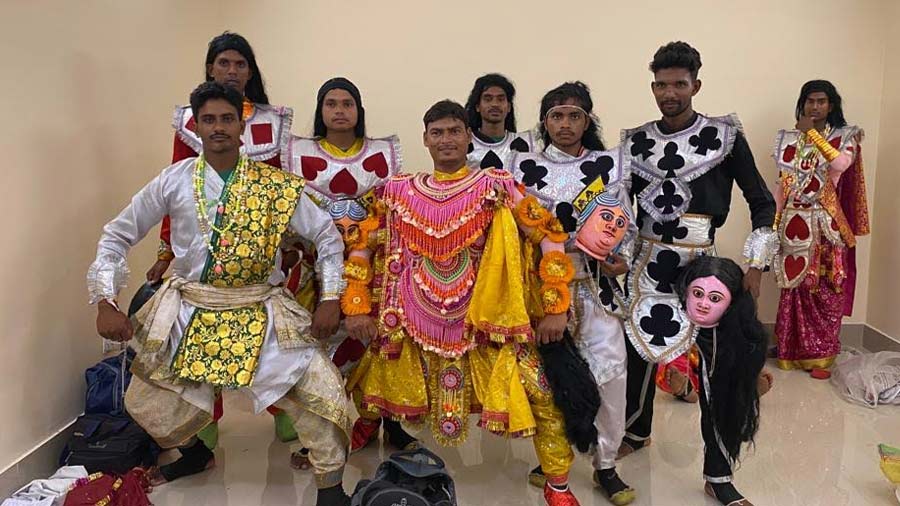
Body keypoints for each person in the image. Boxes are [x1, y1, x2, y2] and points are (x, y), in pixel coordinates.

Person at [88, 82, 351, 506]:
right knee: (143, 399)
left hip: (260, 307)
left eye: (227, 118)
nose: (218, 128)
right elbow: (117, 234)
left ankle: (332, 489)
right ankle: (195, 454)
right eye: (208, 120)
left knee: (322, 392)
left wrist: (331, 298)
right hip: (192, 308)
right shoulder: (173, 180)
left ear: (241, 125)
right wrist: (105, 299)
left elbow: (327, 235)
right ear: (197, 126)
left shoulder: (275, 185)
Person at [346, 100, 580, 505]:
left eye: (454, 131)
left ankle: (557, 484)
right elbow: (362, 246)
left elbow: (549, 236)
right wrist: (355, 306)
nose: (446, 140)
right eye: (437, 132)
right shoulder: (397, 191)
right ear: (425, 139)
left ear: (468, 136)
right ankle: (366, 429)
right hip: (411, 319)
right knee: (370, 386)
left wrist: (556, 307)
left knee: (542, 398)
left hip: (484, 323)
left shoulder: (496, 186)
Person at [618, 41, 777, 458]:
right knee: (639, 355)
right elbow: (620, 209)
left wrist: (755, 265)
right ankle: (636, 434)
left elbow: (762, 202)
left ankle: (718, 470)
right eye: (661, 85)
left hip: (703, 267)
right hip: (646, 265)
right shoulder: (636, 143)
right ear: (653, 87)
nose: (669, 93)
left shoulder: (724, 137)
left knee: (716, 366)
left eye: (679, 84)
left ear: (696, 85)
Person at [146, 32, 297, 446]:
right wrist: (165, 251)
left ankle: (283, 409)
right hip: (201, 246)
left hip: (258, 249)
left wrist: (286, 236)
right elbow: (173, 189)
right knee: (199, 336)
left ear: (251, 71)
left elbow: (284, 183)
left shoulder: (275, 121)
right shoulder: (191, 120)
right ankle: (204, 429)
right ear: (210, 68)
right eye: (223, 63)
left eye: (239, 63)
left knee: (270, 334)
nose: (232, 70)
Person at [510, 82, 635, 505]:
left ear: (588, 120)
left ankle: (606, 465)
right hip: (543, 295)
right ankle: (554, 459)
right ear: (544, 122)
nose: (565, 124)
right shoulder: (520, 168)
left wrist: (622, 259)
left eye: (574, 115)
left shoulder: (610, 165)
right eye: (556, 116)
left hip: (595, 289)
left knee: (612, 373)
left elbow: (626, 226)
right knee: (551, 381)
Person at [280, 77, 415, 463]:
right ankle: (323, 434)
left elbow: (392, 213)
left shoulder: (381, 155)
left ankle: (388, 423)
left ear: (359, 111)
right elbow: (290, 221)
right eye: (331, 104)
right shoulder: (298, 153)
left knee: (381, 349)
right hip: (314, 276)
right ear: (321, 111)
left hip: (373, 275)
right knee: (319, 356)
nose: (340, 111)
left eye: (347, 104)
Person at [772, 80, 869, 379]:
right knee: (794, 288)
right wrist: (772, 222)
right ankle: (790, 350)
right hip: (792, 222)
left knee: (825, 288)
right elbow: (781, 184)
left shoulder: (845, 136)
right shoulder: (788, 139)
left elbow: (840, 164)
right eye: (810, 101)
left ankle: (821, 355)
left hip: (827, 226)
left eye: (821, 101)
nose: (815, 107)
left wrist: (811, 134)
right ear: (802, 104)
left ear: (831, 105)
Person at [674, 256, 767, 506]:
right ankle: (622, 445)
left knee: (723, 392)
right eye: (699, 295)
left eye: (714, 299)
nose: (704, 304)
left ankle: (719, 478)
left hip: (699, 260)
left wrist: (757, 265)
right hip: (651, 276)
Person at [464, 73, 535, 170]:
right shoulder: (464, 144)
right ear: (477, 107)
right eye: (488, 99)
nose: (495, 104)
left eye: (501, 99)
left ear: (509, 107)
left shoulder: (529, 142)